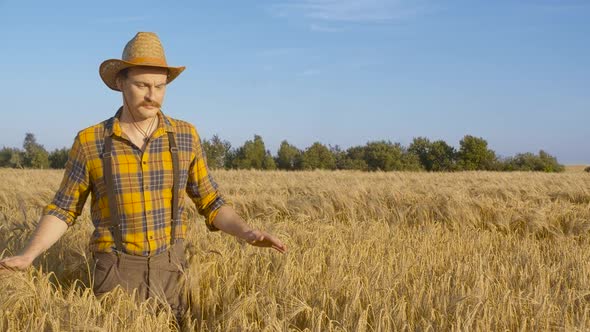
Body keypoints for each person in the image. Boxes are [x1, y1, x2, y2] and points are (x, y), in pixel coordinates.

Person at [0, 32, 287, 322]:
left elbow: (211, 201)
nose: (153, 96)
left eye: (160, 87)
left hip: (172, 270)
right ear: (120, 82)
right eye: (142, 85)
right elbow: (64, 209)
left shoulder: (185, 136)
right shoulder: (90, 141)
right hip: (113, 273)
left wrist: (246, 232)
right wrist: (28, 255)